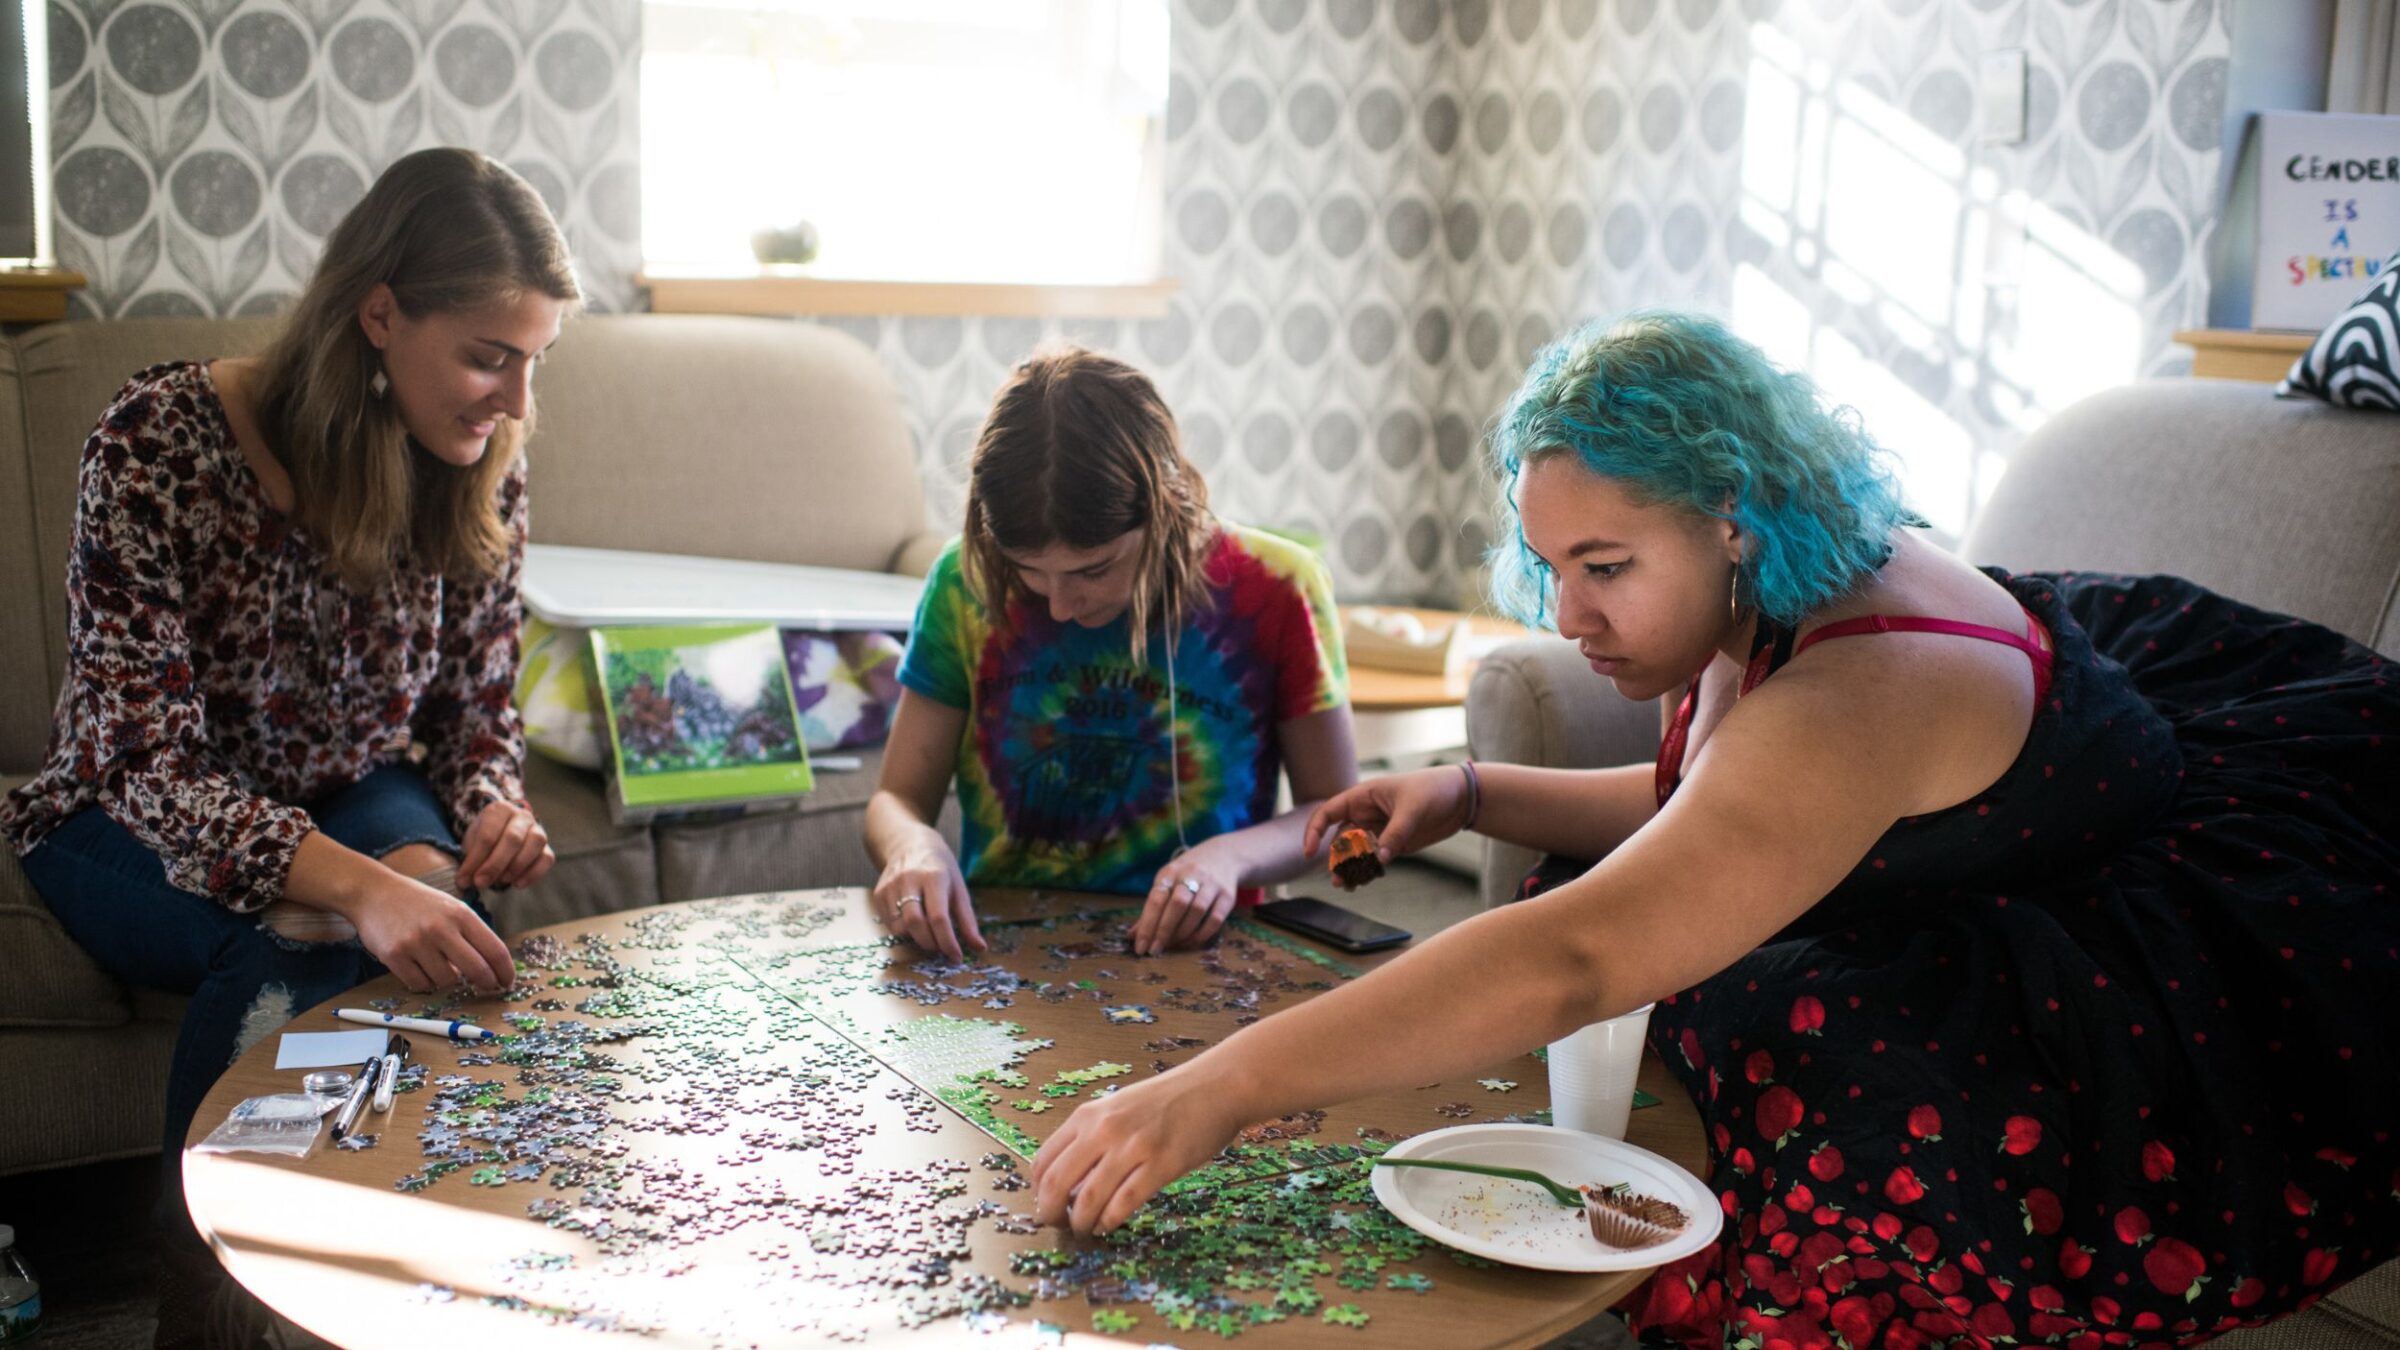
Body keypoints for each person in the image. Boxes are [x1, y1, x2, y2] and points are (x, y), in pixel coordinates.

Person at [1028, 313, 2400, 1349]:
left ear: (1734, 521)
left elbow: (1585, 948)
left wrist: (1215, 1085)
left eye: (1606, 569)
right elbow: (1709, 812)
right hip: (1974, 818)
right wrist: (1467, 788)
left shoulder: (1853, 691)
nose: (1568, 618)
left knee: (1783, 1035)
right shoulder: (1776, 585)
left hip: (2150, 950)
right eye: (1551, 565)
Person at [1, 147, 577, 1341]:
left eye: (535, 362)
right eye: (487, 356)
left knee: (452, 929)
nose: (517, 402)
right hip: (118, 814)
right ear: (379, 313)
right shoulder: (157, 439)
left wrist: (485, 803)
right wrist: (356, 888)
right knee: (300, 936)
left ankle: (403, 1278)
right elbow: (143, 763)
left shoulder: (480, 465)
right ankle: (208, 1305)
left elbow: (472, 711)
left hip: (350, 789)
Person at [866, 345, 1356, 961]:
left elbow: (1340, 820)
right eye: (1031, 573)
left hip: (1200, 953)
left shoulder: (1278, 587)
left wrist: (1231, 857)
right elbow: (896, 799)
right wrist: (912, 844)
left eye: (1094, 569)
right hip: (996, 951)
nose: (1061, 606)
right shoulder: (962, 582)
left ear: (1168, 504)